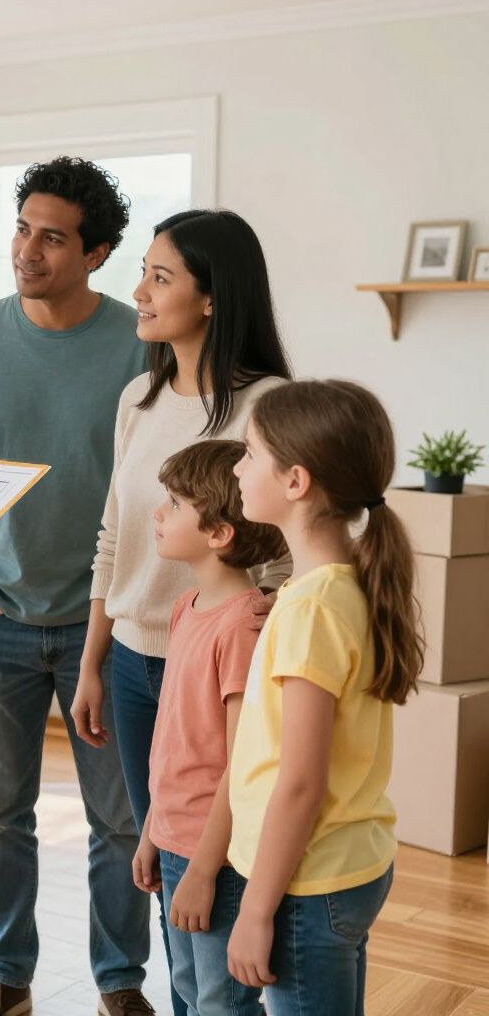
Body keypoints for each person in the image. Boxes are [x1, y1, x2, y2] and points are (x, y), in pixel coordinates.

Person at [0, 157, 153, 1016]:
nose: (27, 250)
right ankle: (7, 978)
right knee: (1, 813)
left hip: (112, 625)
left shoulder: (142, 341)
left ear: (95, 254)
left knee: (120, 820)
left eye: (52, 237)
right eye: (22, 228)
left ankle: (121, 984)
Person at [71, 209, 293, 1016]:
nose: (139, 291)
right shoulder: (138, 395)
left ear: (211, 298)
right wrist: (96, 659)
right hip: (132, 661)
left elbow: (291, 546)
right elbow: (113, 535)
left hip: (223, 667)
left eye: (160, 277)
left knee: (221, 857)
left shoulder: (271, 405)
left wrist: (259, 628)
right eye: (145, 272)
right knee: (165, 857)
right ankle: (189, 1002)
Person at [227, 379, 424, 1015]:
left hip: (306, 886)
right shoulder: (340, 586)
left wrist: (256, 911)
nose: (237, 466)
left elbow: (300, 783)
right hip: (347, 865)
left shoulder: (312, 608)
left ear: (296, 482)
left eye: (250, 453)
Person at [131, 440, 285, 1016]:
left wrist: (200, 870)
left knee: (222, 1003)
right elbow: (176, 741)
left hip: (216, 858)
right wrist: (152, 833)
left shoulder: (242, 625)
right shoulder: (186, 607)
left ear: (219, 533)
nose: (158, 512)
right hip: (175, 844)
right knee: (194, 995)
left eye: (173, 502)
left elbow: (241, 762)